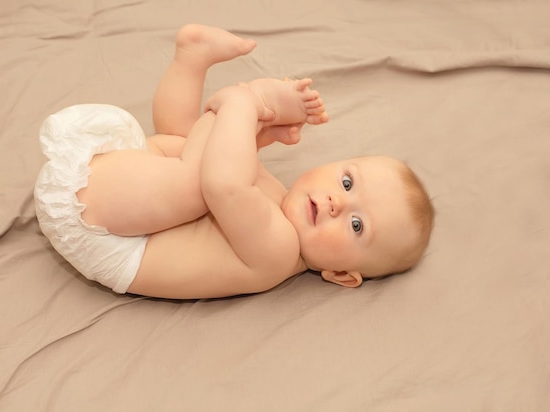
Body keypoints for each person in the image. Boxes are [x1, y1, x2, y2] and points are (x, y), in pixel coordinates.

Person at [34, 24, 434, 299]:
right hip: (128, 192)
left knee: (198, 182)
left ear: (342, 274)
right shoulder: (278, 201)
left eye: (357, 224)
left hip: (104, 230)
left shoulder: (279, 252)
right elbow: (224, 163)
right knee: (186, 140)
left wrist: (249, 102)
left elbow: (223, 185)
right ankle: (191, 58)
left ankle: (243, 95)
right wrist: (258, 137)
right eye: (347, 183)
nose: (338, 203)